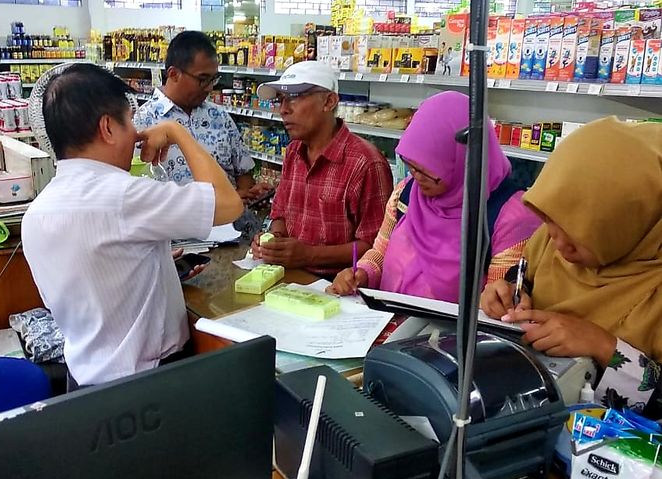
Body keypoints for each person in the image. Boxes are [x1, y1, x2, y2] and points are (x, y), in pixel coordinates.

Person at [21, 64, 243, 390]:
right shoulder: (124, 196)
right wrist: (177, 132)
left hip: (83, 380)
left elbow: (99, 280)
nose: (137, 135)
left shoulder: (37, 212)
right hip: (146, 385)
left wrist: (156, 261)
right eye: (130, 122)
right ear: (108, 128)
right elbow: (228, 204)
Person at [480, 117, 662, 414]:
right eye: (550, 221)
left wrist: (605, 348)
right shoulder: (550, 240)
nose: (559, 243)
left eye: (583, 231)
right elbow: (525, 276)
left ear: (633, 221)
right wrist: (510, 291)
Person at [328, 91, 542, 302]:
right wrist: (361, 273)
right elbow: (380, 252)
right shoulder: (406, 193)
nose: (417, 178)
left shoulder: (510, 216)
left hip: (450, 334)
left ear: (464, 161)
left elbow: (498, 302)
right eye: (411, 167)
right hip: (390, 322)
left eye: (429, 172)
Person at [250, 61, 393, 277]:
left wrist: (309, 255)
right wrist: (274, 241)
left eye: (294, 97)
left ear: (329, 101)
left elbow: (376, 247)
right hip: (290, 277)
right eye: (280, 100)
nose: (283, 109)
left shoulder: (366, 163)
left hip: (339, 287)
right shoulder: (294, 152)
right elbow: (280, 213)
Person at [134, 30, 266, 201]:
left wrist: (252, 193)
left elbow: (244, 177)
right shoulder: (143, 122)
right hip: (173, 226)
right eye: (203, 79)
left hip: (228, 225)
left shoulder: (220, 117)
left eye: (214, 79)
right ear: (174, 74)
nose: (210, 88)